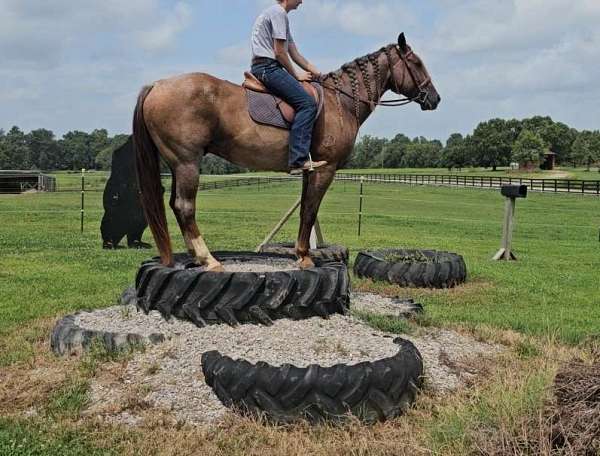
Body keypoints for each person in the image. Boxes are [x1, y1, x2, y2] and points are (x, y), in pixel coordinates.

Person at [250, 0, 327, 175]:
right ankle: (298, 160)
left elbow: (294, 53)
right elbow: (280, 52)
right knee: (307, 104)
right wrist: (296, 75)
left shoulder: (280, 16)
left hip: (267, 66)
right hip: (268, 67)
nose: (301, 1)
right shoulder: (278, 13)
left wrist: (318, 73)